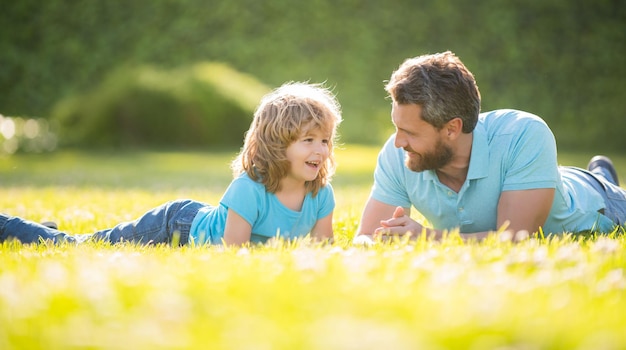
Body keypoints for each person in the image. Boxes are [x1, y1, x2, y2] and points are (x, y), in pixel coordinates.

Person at [0, 82, 342, 246]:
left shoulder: (320, 195)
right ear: (276, 144)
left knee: (78, 241)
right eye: (307, 140)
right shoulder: (249, 190)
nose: (320, 150)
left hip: (194, 220)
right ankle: (9, 226)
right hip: (175, 226)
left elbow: (321, 253)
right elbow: (233, 255)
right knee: (79, 247)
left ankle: (44, 228)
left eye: (325, 140)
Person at [356, 51, 625, 242]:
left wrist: (426, 238)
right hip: (536, 179)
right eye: (397, 127)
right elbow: (366, 237)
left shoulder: (525, 133)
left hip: (602, 206)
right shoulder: (398, 153)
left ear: (452, 128)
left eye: (410, 132)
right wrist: (374, 242)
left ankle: (601, 177)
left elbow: (517, 239)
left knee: (594, 189)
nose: (398, 141)